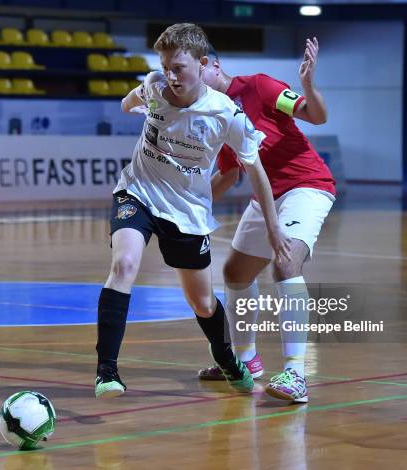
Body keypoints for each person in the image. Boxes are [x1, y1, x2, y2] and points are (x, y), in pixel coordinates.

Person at [94, 23, 292, 399]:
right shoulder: (155, 86)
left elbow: (256, 173)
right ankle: (107, 371)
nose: (171, 76)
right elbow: (127, 103)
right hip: (137, 192)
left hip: (187, 212)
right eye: (165, 66)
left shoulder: (226, 114)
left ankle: (228, 359)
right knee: (124, 265)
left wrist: (273, 227)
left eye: (179, 68)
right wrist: (136, 99)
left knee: (202, 302)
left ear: (202, 64)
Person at [198, 38, 336, 403]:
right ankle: (245, 361)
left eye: (194, 71)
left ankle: (296, 372)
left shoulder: (259, 86)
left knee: (286, 262)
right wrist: (186, 208)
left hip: (306, 186)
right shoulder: (214, 114)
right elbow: (228, 176)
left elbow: (316, 115)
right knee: (235, 274)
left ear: (213, 64)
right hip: (266, 200)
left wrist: (307, 86)